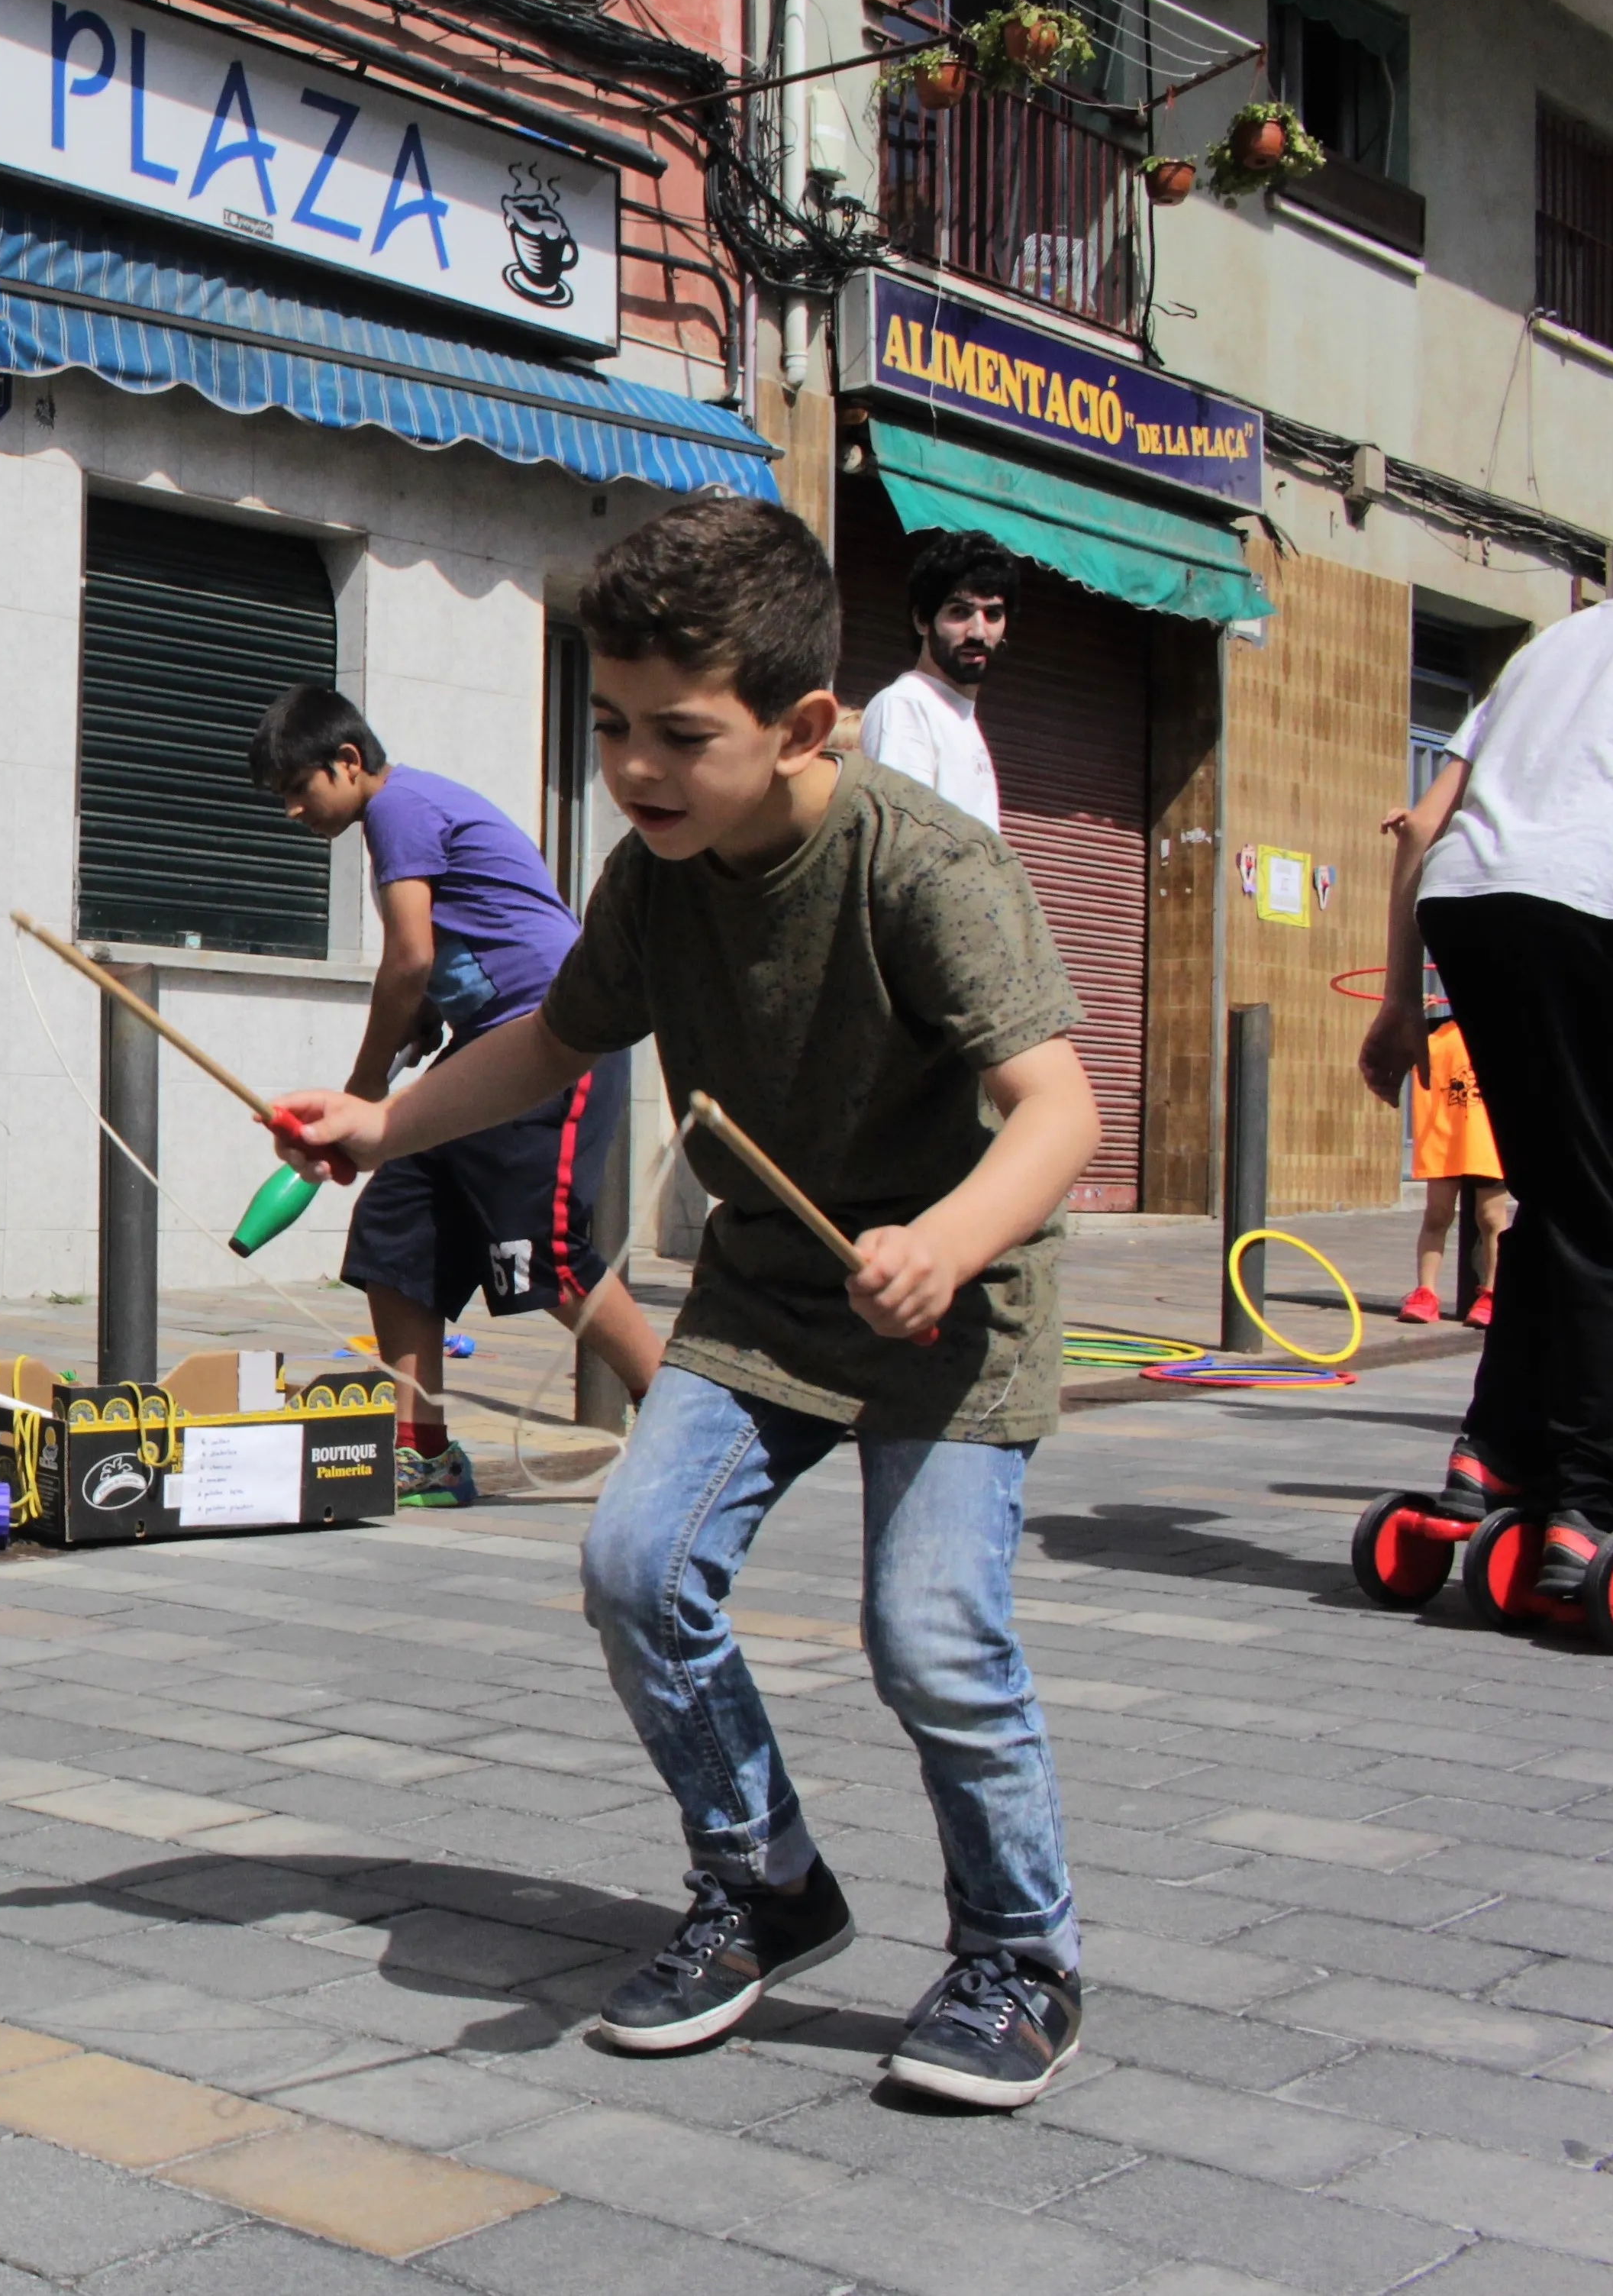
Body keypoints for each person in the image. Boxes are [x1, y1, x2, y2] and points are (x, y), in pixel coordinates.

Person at [273, 498, 1104, 2110]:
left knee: (930, 1637)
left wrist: (942, 1237)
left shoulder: (928, 868)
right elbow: (550, 1040)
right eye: (606, 726)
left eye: (677, 733)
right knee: (636, 1562)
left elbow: (1060, 1109)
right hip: (767, 1298)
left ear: (801, 725)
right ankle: (768, 1880)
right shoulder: (651, 881)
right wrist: (384, 1121)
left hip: (956, 1308)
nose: (634, 768)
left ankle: (1021, 1948)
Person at [247, 684, 661, 1506]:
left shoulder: (399, 808)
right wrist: (429, 1019)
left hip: (552, 1041)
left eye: (300, 789)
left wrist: (365, 1092)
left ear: (349, 761)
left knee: (539, 1247)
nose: (293, 810)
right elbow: (460, 951)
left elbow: (409, 956)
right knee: (396, 1227)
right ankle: (421, 1450)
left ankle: (683, 1415)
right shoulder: (407, 811)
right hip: (485, 1047)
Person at [1361, 599, 1613, 1604]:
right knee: (1608, 1217)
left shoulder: (1561, 641)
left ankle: (1492, 1455)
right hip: (1594, 903)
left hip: (1471, 903)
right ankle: (1595, 1500)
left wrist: (1399, 1005)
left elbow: (1424, 822)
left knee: (1559, 1205)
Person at [855, 530, 1015, 832]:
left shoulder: (961, 717)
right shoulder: (907, 705)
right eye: (960, 612)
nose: (979, 632)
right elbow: (903, 847)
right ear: (922, 620)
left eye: (992, 614)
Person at [1400, 1004, 1510, 1329]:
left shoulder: (1510, 1028)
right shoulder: (1435, 1031)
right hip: (1444, 1136)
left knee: (1491, 1218)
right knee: (1437, 1214)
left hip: (1487, 1139)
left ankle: (1491, 1292)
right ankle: (1426, 1293)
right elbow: (1399, 1050)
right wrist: (1415, 1011)